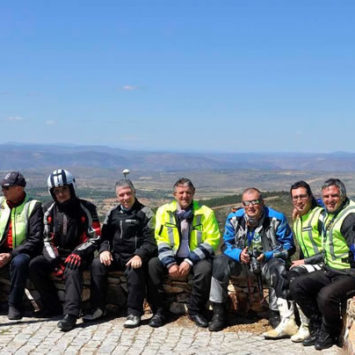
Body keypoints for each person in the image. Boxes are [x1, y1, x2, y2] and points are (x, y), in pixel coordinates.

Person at [209, 187, 296, 338]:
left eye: (255, 202)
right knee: (218, 262)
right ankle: (219, 312)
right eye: (247, 203)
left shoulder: (277, 218)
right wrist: (238, 254)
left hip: (267, 263)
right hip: (241, 264)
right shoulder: (233, 218)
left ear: (262, 202)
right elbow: (225, 245)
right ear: (243, 205)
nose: (251, 206)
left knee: (279, 268)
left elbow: (289, 247)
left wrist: (268, 255)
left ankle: (275, 314)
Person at [29, 169, 101, 331]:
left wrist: (78, 253)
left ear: (72, 188)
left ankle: (71, 314)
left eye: (64, 190)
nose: (61, 194)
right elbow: (45, 239)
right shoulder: (48, 209)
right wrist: (54, 261)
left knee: (72, 268)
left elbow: (95, 236)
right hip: (56, 253)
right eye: (57, 191)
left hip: (80, 254)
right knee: (35, 265)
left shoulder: (87, 208)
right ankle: (51, 305)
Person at [290, 178, 355, 350]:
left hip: (349, 272)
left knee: (326, 296)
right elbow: (319, 202)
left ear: (343, 195)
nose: (329, 199)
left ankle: (330, 332)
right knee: (298, 285)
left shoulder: (349, 218)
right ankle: (317, 327)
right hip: (331, 268)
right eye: (326, 196)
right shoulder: (329, 210)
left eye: (334, 195)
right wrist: (300, 207)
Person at [83, 178, 156, 328]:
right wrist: (104, 250)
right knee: (97, 264)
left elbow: (151, 241)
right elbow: (104, 237)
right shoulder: (112, 213)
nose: (125, 198)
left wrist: (140, 255)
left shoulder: (145, 213)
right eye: (121, 195)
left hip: (135, 255)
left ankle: (134, 312)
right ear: (117, 196)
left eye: (128, 193)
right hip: (116, 255)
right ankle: (98, 308)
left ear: (134, 193)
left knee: (135, 269)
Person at [148, 178, 220, 328]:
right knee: (151, 266)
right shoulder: (163, 212)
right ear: (174, 194)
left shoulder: (206, 213)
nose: (184, 196)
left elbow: (213, 240)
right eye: (181, 192)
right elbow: (160, 239)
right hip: (171, 256)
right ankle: (159, 311)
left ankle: (195, 310)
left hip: (197, 257)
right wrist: (169, 262)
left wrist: (189, 261)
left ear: (193, 193)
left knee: (205, 269)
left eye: (188, 192)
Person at [284, 181, 324, 342]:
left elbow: (329, 249)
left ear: (310, 197)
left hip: (325, 263)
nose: (299, 201)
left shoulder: (320, 215)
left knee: (295, 274)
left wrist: (304, 262)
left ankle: (309, 326)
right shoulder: (298, 219)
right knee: (282, 270)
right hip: (311, 264)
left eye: (302, 196)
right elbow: (303, 247)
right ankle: (287, 320)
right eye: (295, 198)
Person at [0, 171, 43, 320]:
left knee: (19, 263)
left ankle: (14, 305)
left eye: (6, 188)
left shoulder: (33, 206)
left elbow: (35, 238)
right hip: (2, 248)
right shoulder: (1, 204)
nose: (2, 190)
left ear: (19, 189)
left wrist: (11, 255)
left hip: (22, 251)